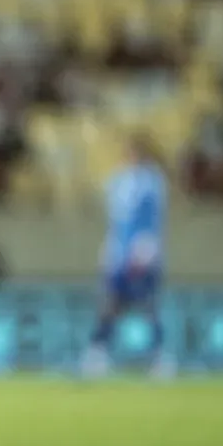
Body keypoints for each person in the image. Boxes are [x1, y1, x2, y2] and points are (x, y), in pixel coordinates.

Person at [82, 133, 170, 378]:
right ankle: (98, 352)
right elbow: (114, 220)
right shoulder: (118, 180)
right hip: (118, 254)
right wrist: (109, 248)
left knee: (148, 305)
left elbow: (153, 218)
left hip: (143, 252)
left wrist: (146, 248)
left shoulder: (152, 181)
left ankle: (159, 356)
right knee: (110, 303)